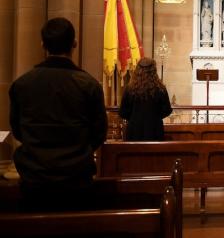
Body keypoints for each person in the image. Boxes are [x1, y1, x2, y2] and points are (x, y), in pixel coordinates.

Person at [9, 17, 107, 211]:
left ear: (42, 44)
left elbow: (18, 130)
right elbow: (99, 133)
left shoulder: (22, 85)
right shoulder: (89, 85)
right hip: (77, 181)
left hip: (34, 181)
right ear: (74, 44)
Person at [119, 57, 172, 141]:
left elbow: (123, 112)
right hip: (155, 130)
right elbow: (167, 110)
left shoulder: (130, 88)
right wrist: (156, 116)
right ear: (153, 71)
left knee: (134, 153)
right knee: (154, 153)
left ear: (137, 70)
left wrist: (134, 117)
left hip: (134, 130)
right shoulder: (160, 88)